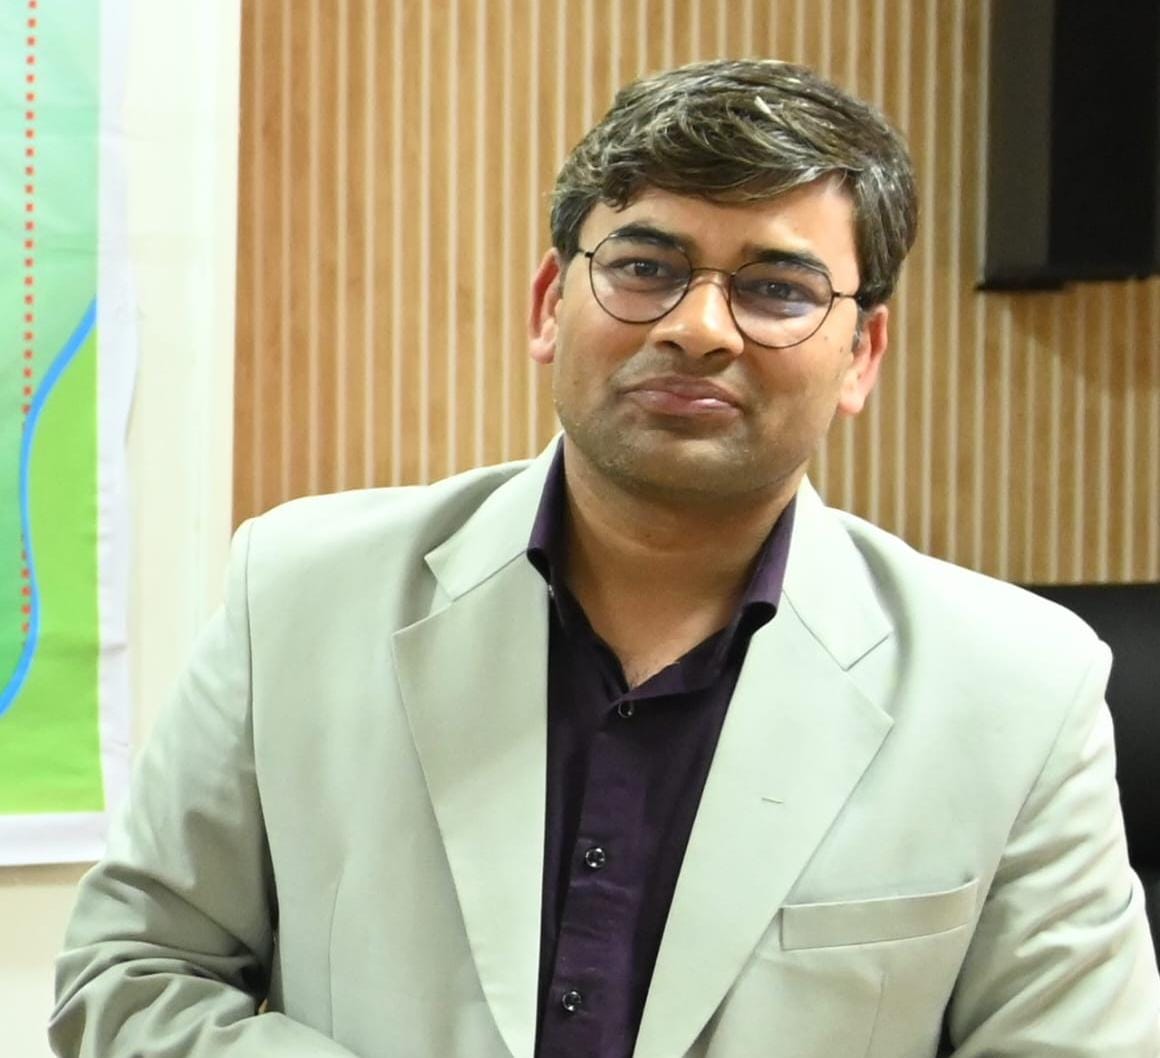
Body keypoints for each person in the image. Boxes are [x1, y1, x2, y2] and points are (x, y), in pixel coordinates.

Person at [50, 58, 1159, 1058]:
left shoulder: (1017, 688)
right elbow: (131, 977)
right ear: (550, 305)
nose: (699, 327)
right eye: (644, 266)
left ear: (861, 353)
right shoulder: (296, 591)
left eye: (776, 289)